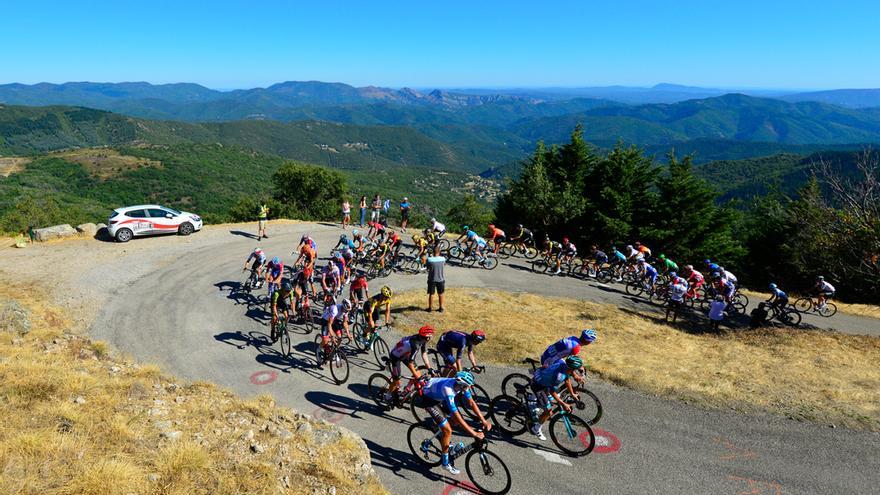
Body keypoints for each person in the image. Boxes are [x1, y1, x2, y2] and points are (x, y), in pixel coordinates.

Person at [414, 371, 491, 475]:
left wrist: (484, 421)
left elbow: (471, 402)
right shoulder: (449, 390)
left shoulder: (460, 386)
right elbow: (458, 417)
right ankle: (445, 463)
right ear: (461, 384)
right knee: (448, 430)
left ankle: (443, 437)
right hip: (429, 400)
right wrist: (474, 433)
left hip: (439, 396)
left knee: (455, 423)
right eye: (467, 386)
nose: (468, 388)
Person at [525, 356, 583, 440]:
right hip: (538, 386)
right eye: (576, 369)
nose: (576, 371)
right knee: (549, 412)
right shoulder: (559, 376)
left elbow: (567, 380)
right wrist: (563, 404)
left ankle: (536, 404)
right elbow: (552, 391)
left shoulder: (563, 363)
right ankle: (535, 428)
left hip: (543, 379)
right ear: (572, 368)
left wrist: (572, 394)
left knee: (553, 399)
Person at [386, 325, 434, 399]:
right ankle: (388, 395)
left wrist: (429, 368)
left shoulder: (422, 339)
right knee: (397, 383)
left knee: (418, 374)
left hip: (405, 355)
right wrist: (416, 375)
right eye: (431, 336)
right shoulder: (416, 345)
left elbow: (424, 353)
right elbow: (410, 363)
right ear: (427, 337)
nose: (431, 337)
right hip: (395, 357)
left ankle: (407, 389)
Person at [426, 246, 446, 312]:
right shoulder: (443, 259)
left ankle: (430, 308)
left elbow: (427, 268)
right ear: (439, 252)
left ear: (433, 252)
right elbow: (444, 265)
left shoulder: (429, 259)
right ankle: (441, 308)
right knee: (441, 294)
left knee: (431, 294)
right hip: (440, 279)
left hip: (432, 279)